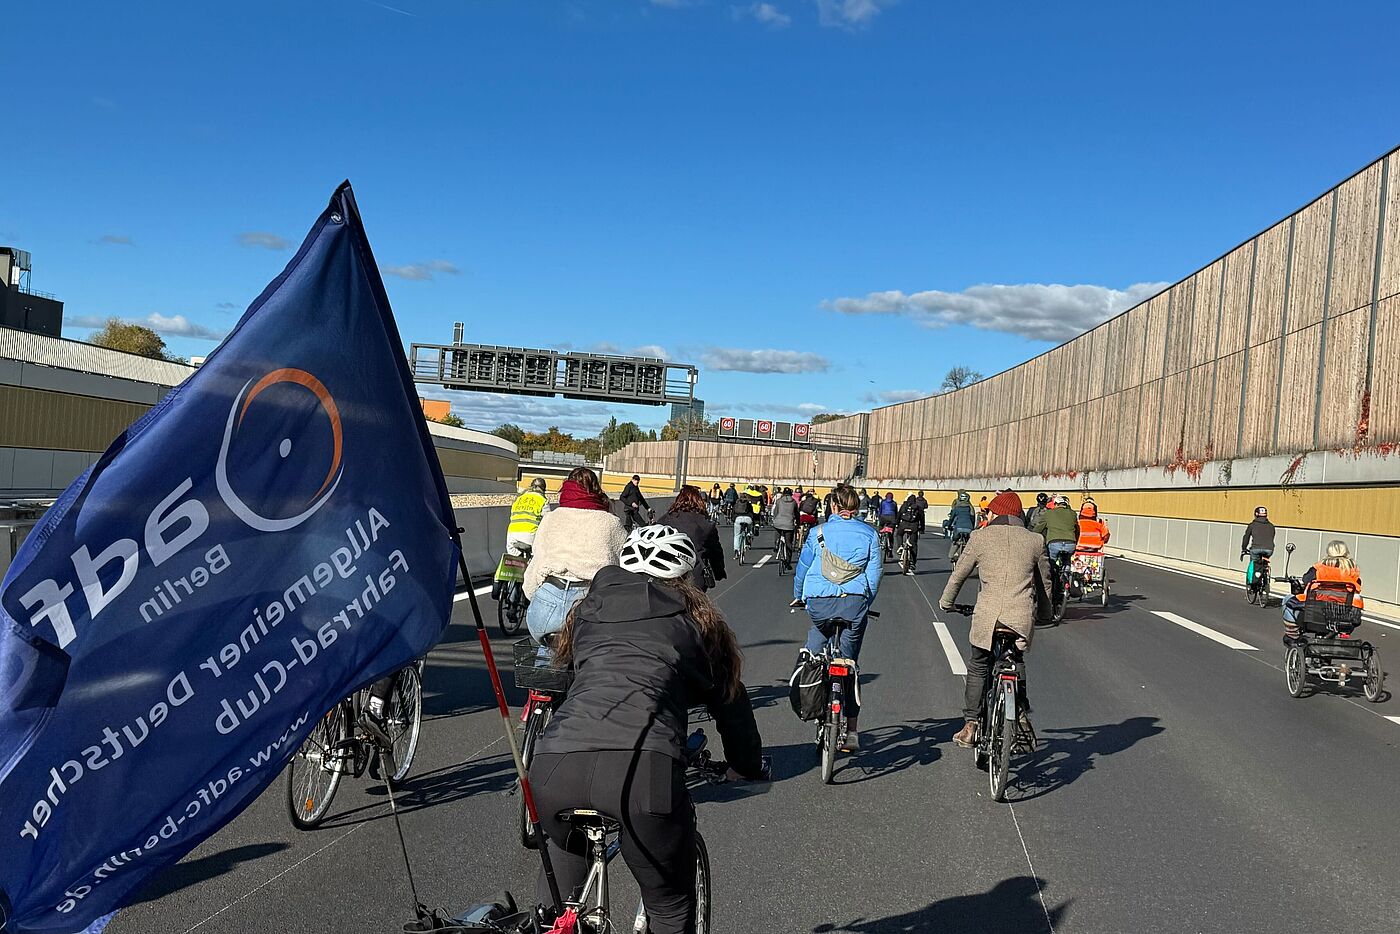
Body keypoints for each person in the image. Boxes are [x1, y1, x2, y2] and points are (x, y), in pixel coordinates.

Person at [529, 526, 766, 934]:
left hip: (553, 764)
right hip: (642, 770)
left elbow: (571, 678)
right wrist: (745, 765)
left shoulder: (586, 612)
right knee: (670, 907)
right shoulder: (695, 622)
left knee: (558, 895)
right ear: (685, 578)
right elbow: (730, 701)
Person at [939, 491, 1048, 748]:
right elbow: (1045, 583)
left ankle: (971, 725)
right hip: (1020, 617)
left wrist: (947, 603)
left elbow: (958, 575)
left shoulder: (981, 537)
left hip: (988, 617)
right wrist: (1044, 614)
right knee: (1016, 661)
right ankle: (1020, 714)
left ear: (995, 513)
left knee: (979, 665)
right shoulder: (1035, 541)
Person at [791, 485, 882, 751]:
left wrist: (799, 595)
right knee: (849, 664)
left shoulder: (817, 533)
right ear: (857, 508)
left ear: (833, 506)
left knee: (817, 638)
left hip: (819, 605)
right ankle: (852, 731)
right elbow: (874, 575)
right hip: (854, 604)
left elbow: (803, 568)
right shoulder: (870, 534)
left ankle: (813, 673)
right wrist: (865, 601)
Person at [524, 467, 627, 643]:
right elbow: (623, 568)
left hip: (545, 605)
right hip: (589, 606)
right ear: (596, 489)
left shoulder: (550, 518)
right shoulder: (610, 522)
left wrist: (533, 596)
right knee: (590, 653)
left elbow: (536, 565)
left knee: (547, 651)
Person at [1283, 540, 1364, 638]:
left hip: (1316, 614)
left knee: (1287, 600)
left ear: (1328, 552)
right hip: (1344, 617)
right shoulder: (1353, 571)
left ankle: (1292, 635)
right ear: (1346, 552)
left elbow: (1306, 579)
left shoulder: (1318, 568)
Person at [659, 485, 727, 592]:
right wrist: (719, 572)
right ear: (699, 501)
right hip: (694, 577)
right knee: (696, 601)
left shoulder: (666, 519)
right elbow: (715, 551)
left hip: (666, 573)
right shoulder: (704, 523)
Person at [1032, 494, 1079, 602]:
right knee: (1066, 560)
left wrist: (1032, 535)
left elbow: (1039, 527)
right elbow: (1076, 528)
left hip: (1054, 543)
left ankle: (1052, 582)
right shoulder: (1072, 513)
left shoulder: (1049, 513)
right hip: (1070, 543)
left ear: (1055, 504)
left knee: (1051, 563)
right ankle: (1066, 577)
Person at [506, 477, 549, 556]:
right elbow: (547, 520)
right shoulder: (542, 500)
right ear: (543, 489)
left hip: (512, 535)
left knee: (512, 557)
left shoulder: (519, 498)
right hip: (529, 536)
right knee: (537, 556)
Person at [1241, 506, 1276, 588]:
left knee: (1254, 563)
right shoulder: (1271, 526)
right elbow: (1272, 537)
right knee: (1264, 562)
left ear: (1256, 514)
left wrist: (1244, 548)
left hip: (1255, 549)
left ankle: (1253, 582)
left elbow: (1246, 537)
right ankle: (1265, 574)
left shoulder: (1252, 525)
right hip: (1269, 549)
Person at [895, 494, 924, 574]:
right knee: (914, 544)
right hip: (914, 527)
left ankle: (900, 546)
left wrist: (897, 523)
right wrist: (922, 529)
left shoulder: (904, 506)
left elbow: (899, 515)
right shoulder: (918, 508)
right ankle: (912, 562)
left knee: (899, 534)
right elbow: (922, 519)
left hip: (903, 525)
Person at [771, 485, 798, 560]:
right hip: (789, 524)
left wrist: (774, 520)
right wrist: (798, 523)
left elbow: (775, 512)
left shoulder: (779, 501)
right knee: (788, 542)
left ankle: (776, 543)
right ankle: (788, 561)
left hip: (778, 523)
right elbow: (797, 514)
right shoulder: (794, 502)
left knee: (777, 531)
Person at [733, 485, 760, 557]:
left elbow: (733, 513)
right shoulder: (748, 504)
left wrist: (734, 520)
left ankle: (736, 550)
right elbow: (752, 513)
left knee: (737, 535)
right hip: (748, 519)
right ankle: (748, 535)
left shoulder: (736, 504)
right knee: (749, 529)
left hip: (738, 519)